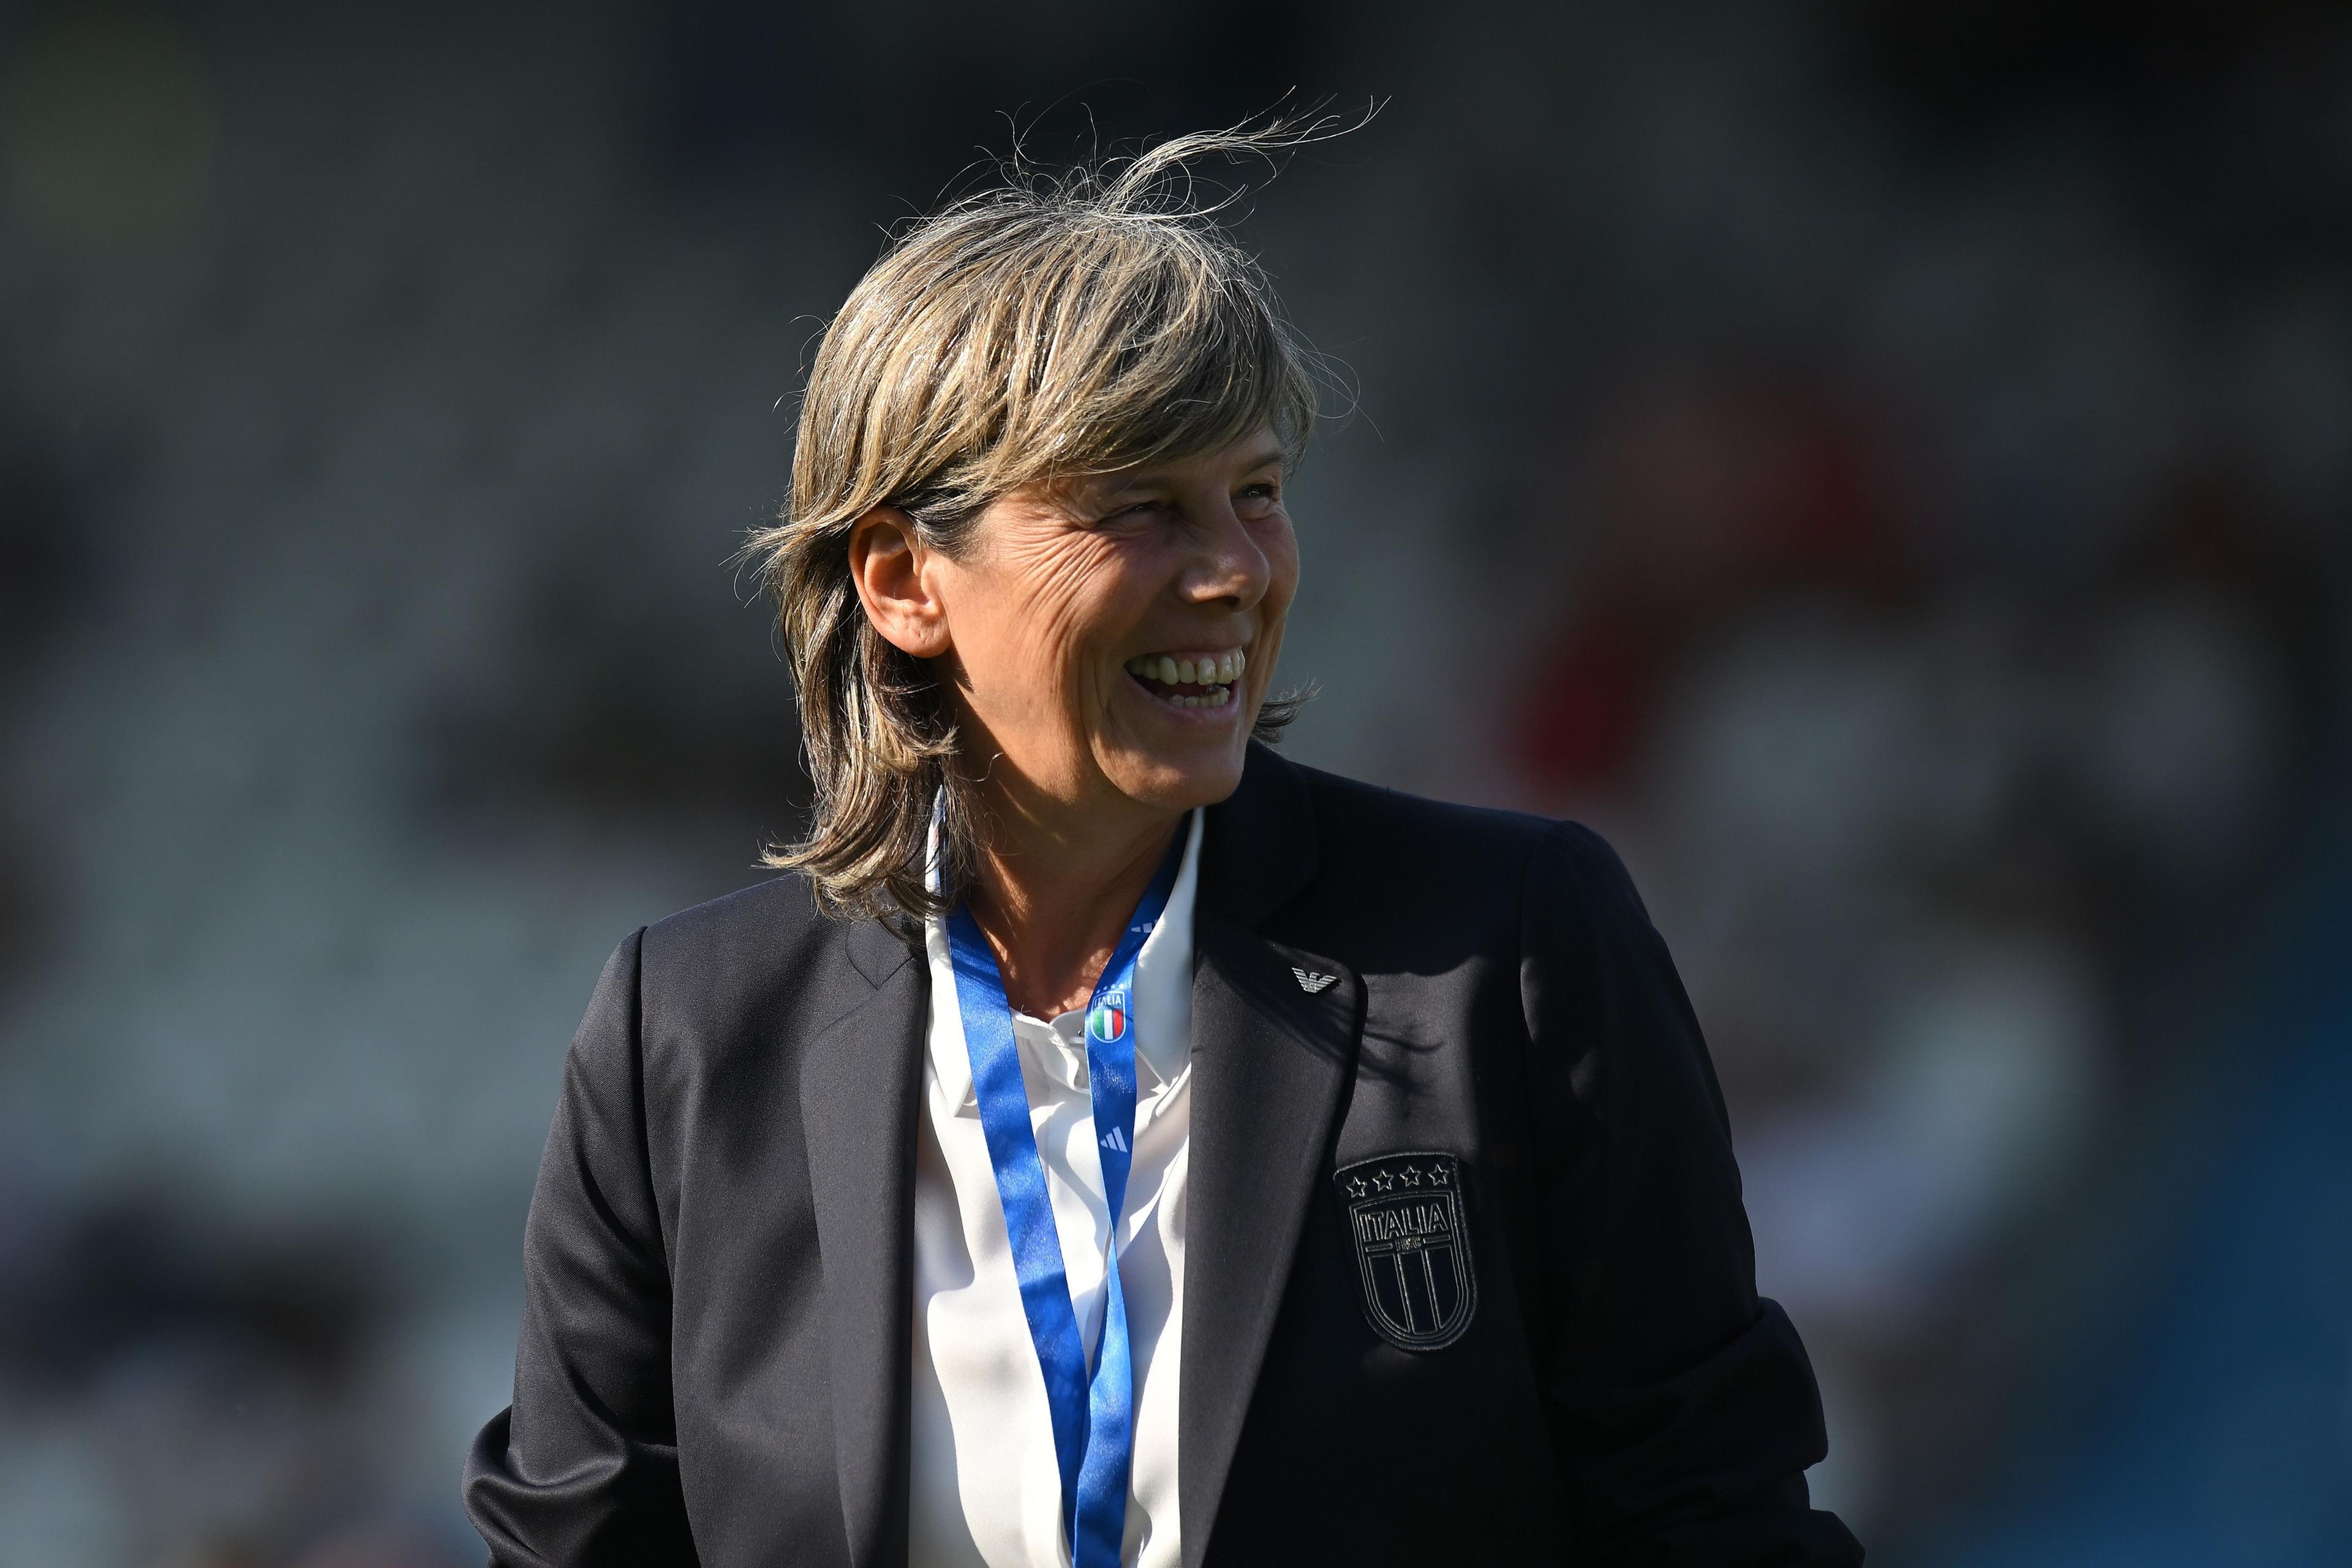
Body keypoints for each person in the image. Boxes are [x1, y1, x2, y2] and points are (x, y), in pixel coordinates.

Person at [464, 125, 1863, 1568]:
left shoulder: (1504, 949)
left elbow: (1717, 1520)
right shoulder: (683, 1039)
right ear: (901, 579)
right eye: (1138, 506)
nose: (1234, 571)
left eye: (1255, 492)